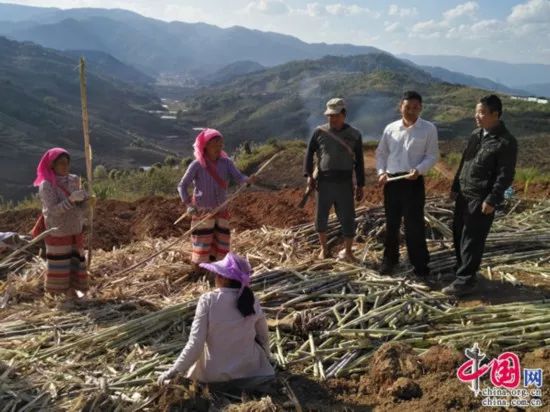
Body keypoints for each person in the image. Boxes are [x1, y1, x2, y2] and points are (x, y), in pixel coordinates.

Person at [157, 253, 274, 386]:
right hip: (250, 372)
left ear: (223, 278)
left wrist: (173, 372)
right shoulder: (252, 300)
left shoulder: (208, 300)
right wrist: (268, 358)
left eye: (218, 274)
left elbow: (196, 343)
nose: (215, 277)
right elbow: (263, 335)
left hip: (214, 376)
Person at [443, 95, 517, 296]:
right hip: (464, 194)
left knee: (472, 239)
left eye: (482, 112)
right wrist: (455, 187)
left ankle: (466, 280)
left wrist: (492, 199)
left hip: (481, 197)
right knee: (459, 233)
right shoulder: (477, 134)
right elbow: (464, 162)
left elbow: (505, 175)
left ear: (496, 114)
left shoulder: (505, 142)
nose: (477, 116)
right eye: (477, 111)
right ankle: (462, 271)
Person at [375, 91, 439, 277]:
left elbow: (432, 155)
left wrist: (419, 169)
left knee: (414, 225)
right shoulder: (390, 128)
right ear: (400, 106)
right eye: (407, 107)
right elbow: (381, 153)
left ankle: (420, 264)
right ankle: (390, 260)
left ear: (421, 108)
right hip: (392, 182)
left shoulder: (428, 129)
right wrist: (381, 172)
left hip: (413, 181)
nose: (411, 111)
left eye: (415, 107)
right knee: (392, 224)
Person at [178, 129, 255, 271]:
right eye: (215, 146)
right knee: (203, 242)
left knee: (221, 242)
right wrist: (189, 204)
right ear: (205, 146)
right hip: (203, 211)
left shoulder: (226, 163)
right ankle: (199, 270)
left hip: (221, 209)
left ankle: (218, 270)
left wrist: (247, 180)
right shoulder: (197, 165)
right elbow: (182, 186)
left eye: (220, 146)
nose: (218, 149)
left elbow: (239, 177)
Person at [303, 98, 365, 262]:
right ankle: (324, 249)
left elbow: (359, 161)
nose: (332, 119)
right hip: (324, 183)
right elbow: (309, 154)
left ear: (344, 114)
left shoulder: (354, 135)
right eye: (330, 116)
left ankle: (348, 252)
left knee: (348, 218)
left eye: (336, 115)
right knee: (321, 217)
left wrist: (360, 185)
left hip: (345, 184)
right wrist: (309, 176)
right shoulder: (319, 132)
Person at [35, 147, 92, 297]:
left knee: (75, 262)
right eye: (61, 163)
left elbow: (81, 204)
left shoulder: (74, 179)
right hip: (58, 231)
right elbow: (53, 210)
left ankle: (73, 290)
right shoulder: (47, 185)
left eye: (67, 163)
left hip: (75, 228)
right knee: (61, 264)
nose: (65, 166)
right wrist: (71, 199)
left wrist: (86, 200)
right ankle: (61, 293)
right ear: (52, 165)